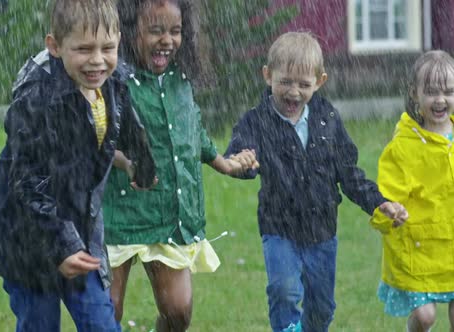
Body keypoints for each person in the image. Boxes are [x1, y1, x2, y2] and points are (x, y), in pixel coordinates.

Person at [0, 0, 156, 331]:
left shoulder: (113, 80)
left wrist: (143, 163)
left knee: (101, 323)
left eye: (107, 47)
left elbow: (128, 125)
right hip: (28, 241)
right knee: (40, 324)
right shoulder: (36, 99)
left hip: (79, 232)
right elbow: (28, 182)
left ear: (118, 40)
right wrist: (59, 245)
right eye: (84, 49)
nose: (97, 60)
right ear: (55, 46)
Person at [224, 31, 408, 332]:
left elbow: (349, 174)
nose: (293, 92)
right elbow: (240, 153)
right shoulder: (256, 121)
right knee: (284, 290)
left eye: (303, 84)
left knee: (322, 308)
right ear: (268, 76)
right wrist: (241, 162)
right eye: (285, 82)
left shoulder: (328, 119)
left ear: (319, 82)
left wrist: (380, 202)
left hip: (322, 231)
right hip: (279, 227)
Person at [102, 0, 257, 331]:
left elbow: (192, 128)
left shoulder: (179, 78)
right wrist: (128, 164)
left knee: (178, 311)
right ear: (132, 32)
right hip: (119, 212)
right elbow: (97, 137)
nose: (167, 40)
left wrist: (224, 164)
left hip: (167, 215)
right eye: (156, 31)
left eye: (175, 31)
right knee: (105, 312)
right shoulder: (113, 77)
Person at [370, 50, 454, 332]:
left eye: (449, 91)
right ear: (415, 95)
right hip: (418, 247)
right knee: (425, 316)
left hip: (452, 244)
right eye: (431, 92)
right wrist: (389, 213)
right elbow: (386, 193)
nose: (440, 100)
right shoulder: (404, 146)